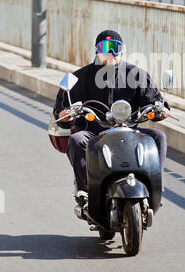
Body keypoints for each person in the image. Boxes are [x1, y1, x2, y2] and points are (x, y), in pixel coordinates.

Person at [53, 29, 169, 218]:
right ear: (97, 50)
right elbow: (62, 109)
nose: (111, 53)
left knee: (158, 137)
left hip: (129, 131)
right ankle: (85, 193)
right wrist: (66, 114)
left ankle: (155, 185)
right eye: (105, 47)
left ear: (122, 50)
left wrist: (160, 110)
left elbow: (153, 101)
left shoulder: (136, 74)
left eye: (116, 47)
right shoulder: (80, 77)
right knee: (76, 139)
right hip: (95, 133)